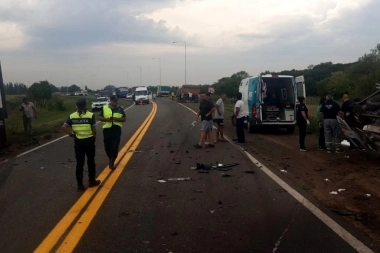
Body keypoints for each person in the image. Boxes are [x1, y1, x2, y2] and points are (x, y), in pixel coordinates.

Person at [62, 99, 100, 191]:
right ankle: (91, 181)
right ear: (85, 105)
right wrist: (94, 137)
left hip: (78, 142)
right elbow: (94, 129)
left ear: (77, 106)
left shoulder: (72, 116)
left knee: (79, 163)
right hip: (89, 141)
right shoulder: (90, 115)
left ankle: (80, 185)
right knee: (91, 162)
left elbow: (64, 127)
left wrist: (71, 134)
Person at [99, 95, 127, 170]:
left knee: (115, 146)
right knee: (107, 147)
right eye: (114, 101)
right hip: (107, 130)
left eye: (116, 101)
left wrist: (117, 119)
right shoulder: (105, 108)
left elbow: (124, 119)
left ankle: (112, 161)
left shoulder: (120, 109)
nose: (115, 102)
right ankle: (110, 157)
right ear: (110, 101)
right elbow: (100, 117)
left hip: (116, 130)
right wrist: (106, 119)